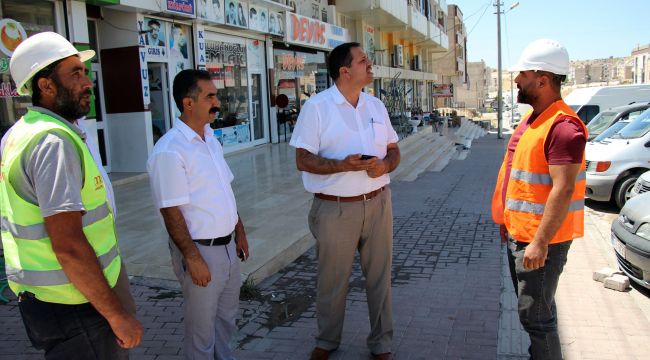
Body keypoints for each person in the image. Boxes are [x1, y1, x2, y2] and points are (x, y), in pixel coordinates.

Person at [1, 31, 143, 359]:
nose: (88, 82)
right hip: (77, 307)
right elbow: (68, 246)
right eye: (75, 73)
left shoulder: (19, 133)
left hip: (49, 302)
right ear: (46, 86)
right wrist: (116, 316)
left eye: (85, 72)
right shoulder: (53, 143)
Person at [290, 42, 400, 360]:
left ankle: (381, 344)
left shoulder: (376, 106)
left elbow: (394, 151)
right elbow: (302, 159)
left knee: (380, 278)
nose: (370, 64)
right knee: (332, 281)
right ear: (344, 71)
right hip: (334, 208)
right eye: (364, 60)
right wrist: (343, 165)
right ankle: (327, 341)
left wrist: (384, 165)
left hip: (379, 203)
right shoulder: (318, 107)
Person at [491, 38, 587, 360]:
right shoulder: (534, 118)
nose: (516, 80)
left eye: (522, 74)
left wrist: (540, 242)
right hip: (520, 234)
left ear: (543, 80)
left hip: (540, 242)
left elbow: (563, 189)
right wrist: (507, 222)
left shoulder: (563, 129)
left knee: (537, 318)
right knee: (533, 314)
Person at [147, 69, 250, 360]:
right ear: (188, 103)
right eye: (210, 96)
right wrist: (192, 259)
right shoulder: (169, 150)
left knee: (226, 321)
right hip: (202, 253)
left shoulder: (210, 139)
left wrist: (239, 231)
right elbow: (171, 211)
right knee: (201, 332)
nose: (217, 101)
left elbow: (224, 190)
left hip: (228, 247)